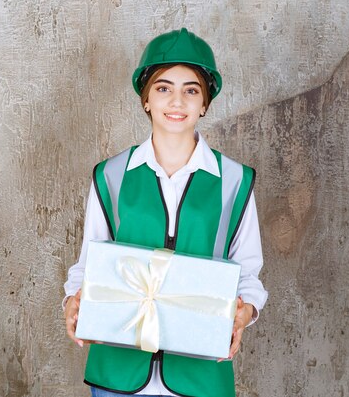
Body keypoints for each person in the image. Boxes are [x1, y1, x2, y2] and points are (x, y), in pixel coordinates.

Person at [63, 28, 268, 397]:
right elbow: (89, 264)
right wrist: (73, 300)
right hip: (118, 375)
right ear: (146, 100)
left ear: (205, 102)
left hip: (199, 374)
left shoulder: (236, 180)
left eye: (191, 90)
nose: (177, 101)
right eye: (163, 88)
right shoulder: (110, 174)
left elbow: (248, 271)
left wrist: (246, 311)